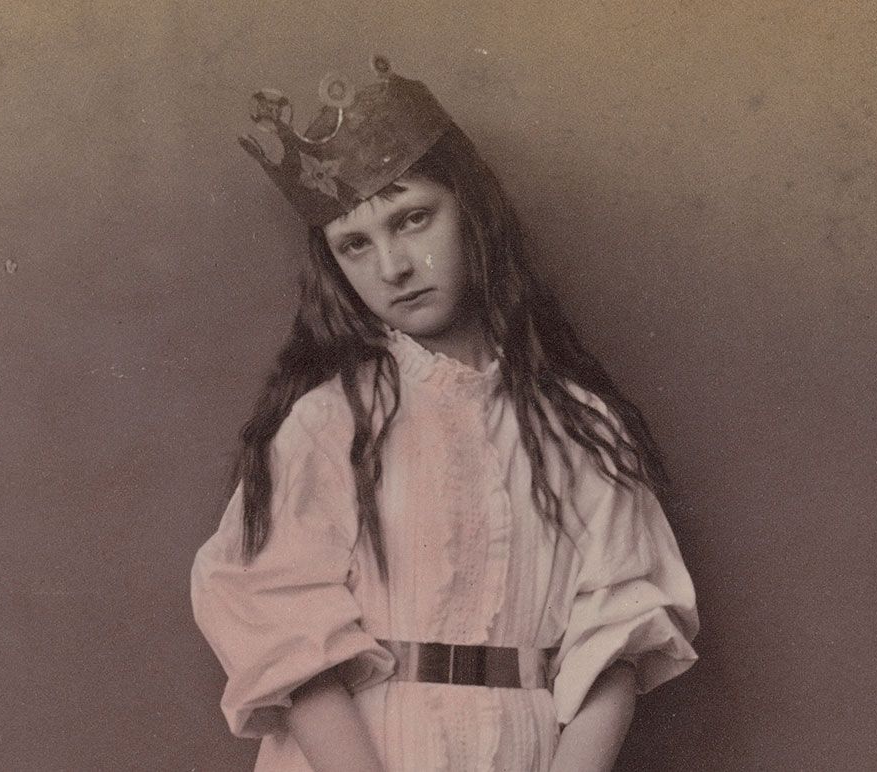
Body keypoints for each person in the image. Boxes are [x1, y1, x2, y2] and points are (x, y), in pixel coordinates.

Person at [191, 55, 699, 772]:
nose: (393, 267)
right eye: (356, 245)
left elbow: (617, 635)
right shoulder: (328, 423)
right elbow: (283, 628)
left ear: (472, 214)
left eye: (413, 220)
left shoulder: (579, 430)